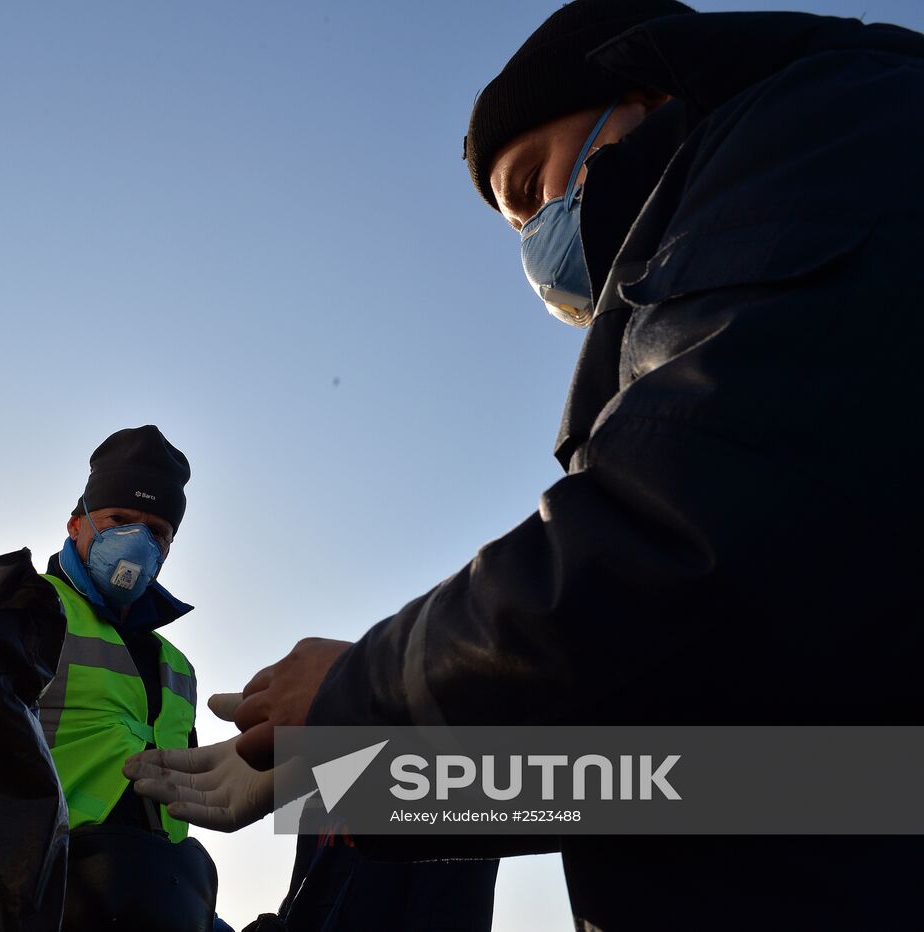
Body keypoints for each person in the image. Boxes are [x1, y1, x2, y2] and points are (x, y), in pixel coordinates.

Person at [130, 2, 924, 929]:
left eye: (533, 184)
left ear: (642, 94)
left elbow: (670, 551)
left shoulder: (827, 131)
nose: (539, 237)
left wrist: (357, 699)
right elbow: (697, 771)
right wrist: (342, 779)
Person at [0, 425, 222, 932]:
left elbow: (210, 788)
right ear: (76, 524)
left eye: (158, 532)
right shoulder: (31, 607)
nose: (138, 543)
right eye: (118, 519)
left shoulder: (178, 665)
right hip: (44, 894)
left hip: (161, 899)